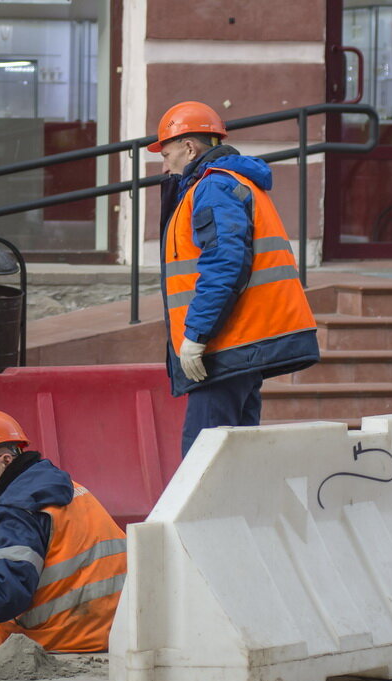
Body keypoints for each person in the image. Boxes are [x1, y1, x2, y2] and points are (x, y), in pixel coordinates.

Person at [150, 101, 320, 456]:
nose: (164, 166)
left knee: (203, 465)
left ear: (189, 147)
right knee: (238, 460)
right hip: (240, 347)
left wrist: (196, 335)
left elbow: (225, 264)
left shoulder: (213, 188)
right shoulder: (229, 183)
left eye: (166, 154)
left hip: (224, 350)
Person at [0, 409, 127, 659]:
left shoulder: (17, 510)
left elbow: (2, 596)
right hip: (113, 629)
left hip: (64, 637)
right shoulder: (64, 488)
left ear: (5, 460)